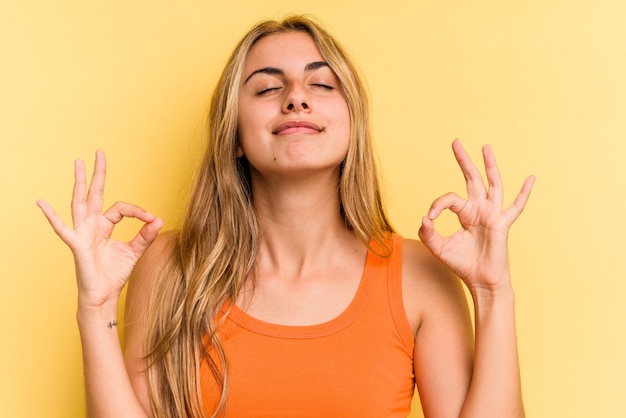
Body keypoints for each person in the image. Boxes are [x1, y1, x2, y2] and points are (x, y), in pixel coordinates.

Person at [37, 15, 535, 418]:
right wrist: (96, 307)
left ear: (350, 125)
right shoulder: (170, 264)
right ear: (232, 135)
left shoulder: (421, 276)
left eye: (320, 83)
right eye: (266, 89)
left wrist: (493, 292)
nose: (297, 97)